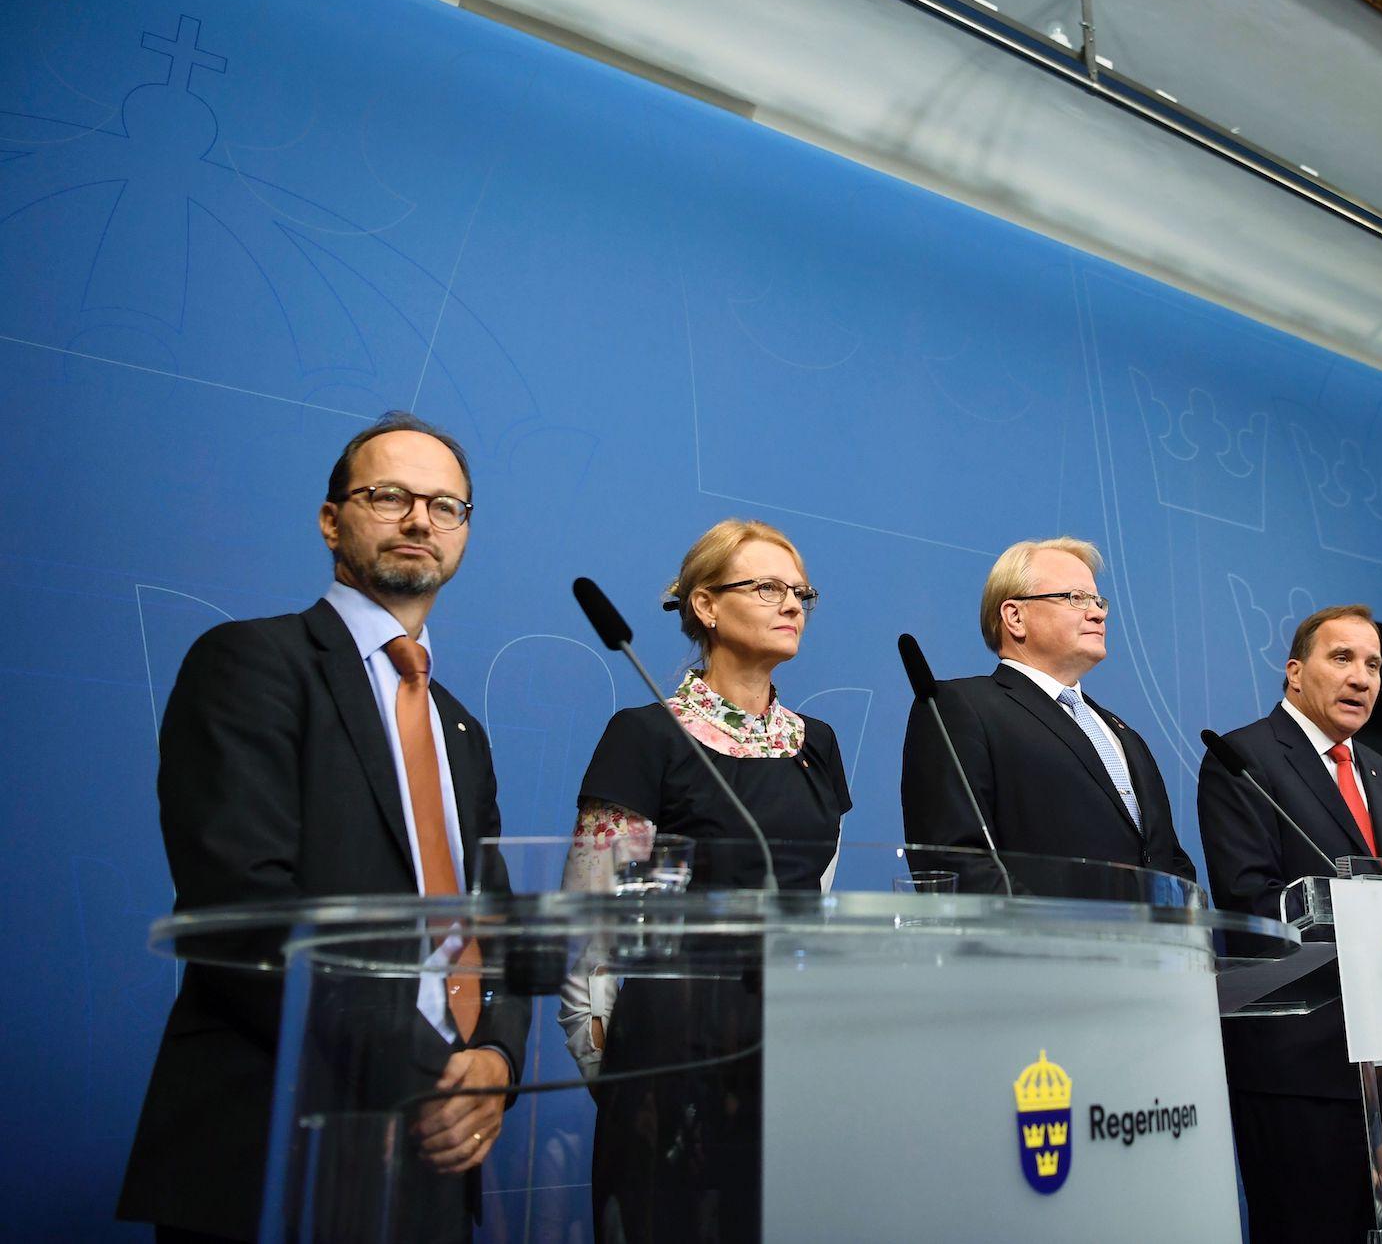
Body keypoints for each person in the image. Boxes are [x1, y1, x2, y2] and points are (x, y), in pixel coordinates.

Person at [117, 412, 529, 1243]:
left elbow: (498, 927)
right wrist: (430, 1073)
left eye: (445, 505)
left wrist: (496, 1062)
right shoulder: (251, 664)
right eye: (391, 495)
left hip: (436, 1162)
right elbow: (245, 910)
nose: (420, 519)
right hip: (275, 1144)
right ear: (331, 519)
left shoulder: (460, 729)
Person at [563, 518, 851, 1242]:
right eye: (766, 586)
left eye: (800, 591)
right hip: (669, 1059)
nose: (791, 603)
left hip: (792, 1059)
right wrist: (634, 1090)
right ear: (705, 605)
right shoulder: (647, 737)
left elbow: (815, 907)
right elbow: (593, 944)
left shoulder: (817, 745)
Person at [1197, 604, 1382, 1241]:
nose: (1362, 677)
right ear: (1296, 673)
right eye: (1343, 658)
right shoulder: (1243, 757)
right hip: (1298, 1058)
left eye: (1374, 665)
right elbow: (1248, 902)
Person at [900, 536, 1195, 881]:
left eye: (1098, 600)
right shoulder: (959, 708)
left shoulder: (1121, 733)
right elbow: (956, 862)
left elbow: (1169, 857)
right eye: (1076, 598)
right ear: (1015, 617)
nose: (1097, 612)